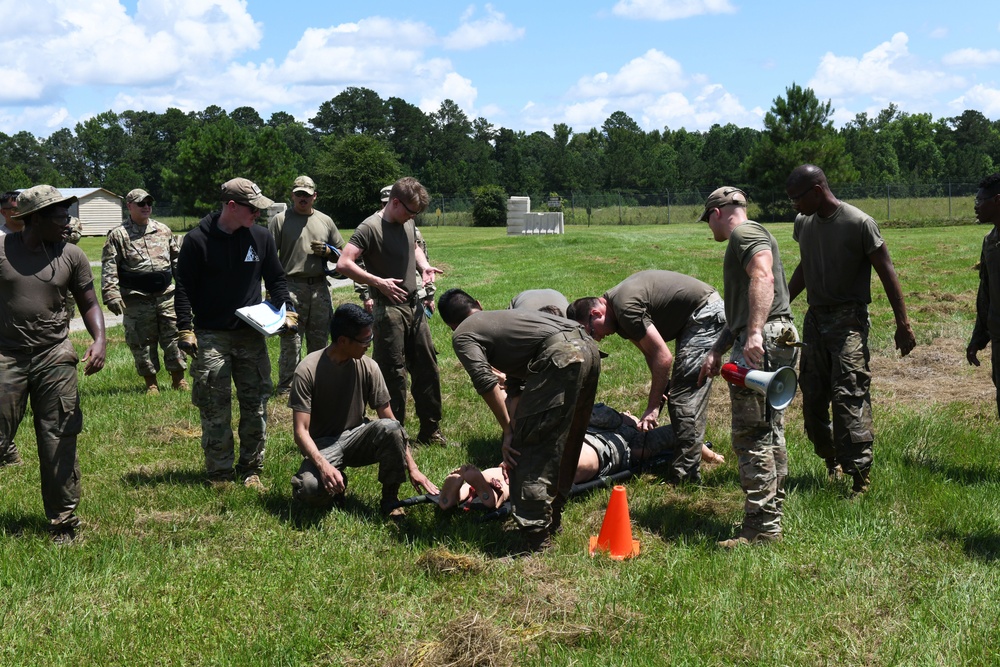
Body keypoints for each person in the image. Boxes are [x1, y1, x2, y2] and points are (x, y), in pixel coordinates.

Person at [438, 288, 600, 553]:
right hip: (588, 347)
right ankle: (553, 521)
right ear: (478, 304)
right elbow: (517, 373)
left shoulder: (463, 334)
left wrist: (509, 430)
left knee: (528, 451)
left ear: (450, 325)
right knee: (568, 440)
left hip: (559, 355)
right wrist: (515, 413)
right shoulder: (501, 318)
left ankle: (536, 541)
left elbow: (485, 381)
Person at [786, 165, 915, 494]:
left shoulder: (859, 223)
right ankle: (831, 460)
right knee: (813, 398)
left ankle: (860, 477)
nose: (794, 207)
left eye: (797, 198)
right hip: (814, 320)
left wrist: (903, 323)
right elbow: (807, 264)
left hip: (848, 321)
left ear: (816, 191)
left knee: (849, 396)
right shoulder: (804, 223)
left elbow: (886, 271)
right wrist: (782, 301)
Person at [0, 185, 106, 544]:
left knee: (58, 436)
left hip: (54, 354)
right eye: (59, 216)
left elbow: (89, 302)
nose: (67, 222)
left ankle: (62, 522)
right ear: (36, 219)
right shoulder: (2, 251)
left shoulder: (72, 255)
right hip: (6, 355)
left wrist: (100, 339)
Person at [174, 178, 296, 489]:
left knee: (255, 404)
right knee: (215, 405)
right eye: (252, 209)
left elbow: (277, 279)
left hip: (251, 333)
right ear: (231, 206)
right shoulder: (197, 240)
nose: (258, 214)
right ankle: (220, 472)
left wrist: (287, 310)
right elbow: (184, 288)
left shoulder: (260, 237)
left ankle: (251, 468)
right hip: (212, 334)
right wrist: (186, 328)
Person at [698, 186, 799, 548]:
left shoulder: (744, 233)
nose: (710, 229)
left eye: (707, 220)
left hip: (763, 340)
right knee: (770, 431)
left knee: (751, 435)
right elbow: (740, 310)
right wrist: (717, 349)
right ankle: (770, 516)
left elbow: (763, 277)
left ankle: (761, 528)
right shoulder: (752, 233)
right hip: (777, 334)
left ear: (717, 212)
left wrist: (754, 334)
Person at [567, 270, 726, 484]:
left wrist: (652, 408)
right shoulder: (619, 319)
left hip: (705, 313)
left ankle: (686, 478)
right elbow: (651, 354)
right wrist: (661, 390)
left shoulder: (625, 309)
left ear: (596, 314)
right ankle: (685, 467)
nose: (598, 339)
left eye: (592, 333)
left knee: (684, 398)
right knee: (677, 392)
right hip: (694, 317)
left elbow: (663, 357)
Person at [289, 303, 438, 515]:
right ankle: (336, 485)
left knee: (391, 428)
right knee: (309, 489)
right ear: (343, 341)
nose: (369, 344)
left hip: (357, 436)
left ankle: (390, 499)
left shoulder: (368, 366)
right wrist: (324, 466)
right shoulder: (307, 370)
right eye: (364, 340)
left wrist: (413, 467)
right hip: (324, 445)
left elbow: (389, 419)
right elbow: (300, 432)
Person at [437, 403, 723, 511]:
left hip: (563, 446)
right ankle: (487, 492)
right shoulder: (634, 438)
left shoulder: (629, 435)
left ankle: (466, 489)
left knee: (508, 472)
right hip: (592, 449)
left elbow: (678, 435)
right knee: (549, 470)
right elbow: (680, 434)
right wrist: (709, 454)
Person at [335, 177, 447, 446]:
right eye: (409, 211)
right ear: (395, 202)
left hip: (413, 305)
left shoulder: (407, 220)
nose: (412, 217)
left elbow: (414, 246)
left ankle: (430, 431)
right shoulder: (370, 227)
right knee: (393, 374)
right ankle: (397, 436)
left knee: (427, 366)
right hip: (388, 310)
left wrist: (424, 267)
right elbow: (343, 263)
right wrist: (377, 282)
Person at [101, 188, 187, 394]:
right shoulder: (118, 235)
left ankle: (179, 379)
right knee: (142, 341)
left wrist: (185, 288)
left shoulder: (163, 230)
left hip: (166, 295)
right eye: (141, 203)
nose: (146, 206)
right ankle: (151, 383)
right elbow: (109, 265)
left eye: (148, 203)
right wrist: (111, 293)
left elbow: (177, 260)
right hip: (136, 297)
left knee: (173, 336)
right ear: (129, 206)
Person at [268, 175, 345, 396]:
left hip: (319, 287)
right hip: (291, 286)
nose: (303, 198)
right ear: (292, 195)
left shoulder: (325, 221)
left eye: (307, 195)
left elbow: (343, 255)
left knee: (319, 338)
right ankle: (287, 386)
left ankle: (317, 382)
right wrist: (274, 291)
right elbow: (270, 256)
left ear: (315, 196)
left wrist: (329, 252)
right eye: (299, 194)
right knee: (291, 339)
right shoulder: (281, 220)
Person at [355, 184, 436, 318]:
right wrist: (366, 295)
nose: (387, 207)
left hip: (414, 293)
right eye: (384, 203)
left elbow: (419, 253)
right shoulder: (370, 228)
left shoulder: (410, 224)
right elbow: (358, 264)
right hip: (387, 301)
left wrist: (429, 292)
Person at [967, 173, 1000, 415]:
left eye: (980, 201)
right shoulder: (990, 241)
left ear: (997, 200)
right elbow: (986, 295)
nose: (976, 206)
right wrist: (978, 338)